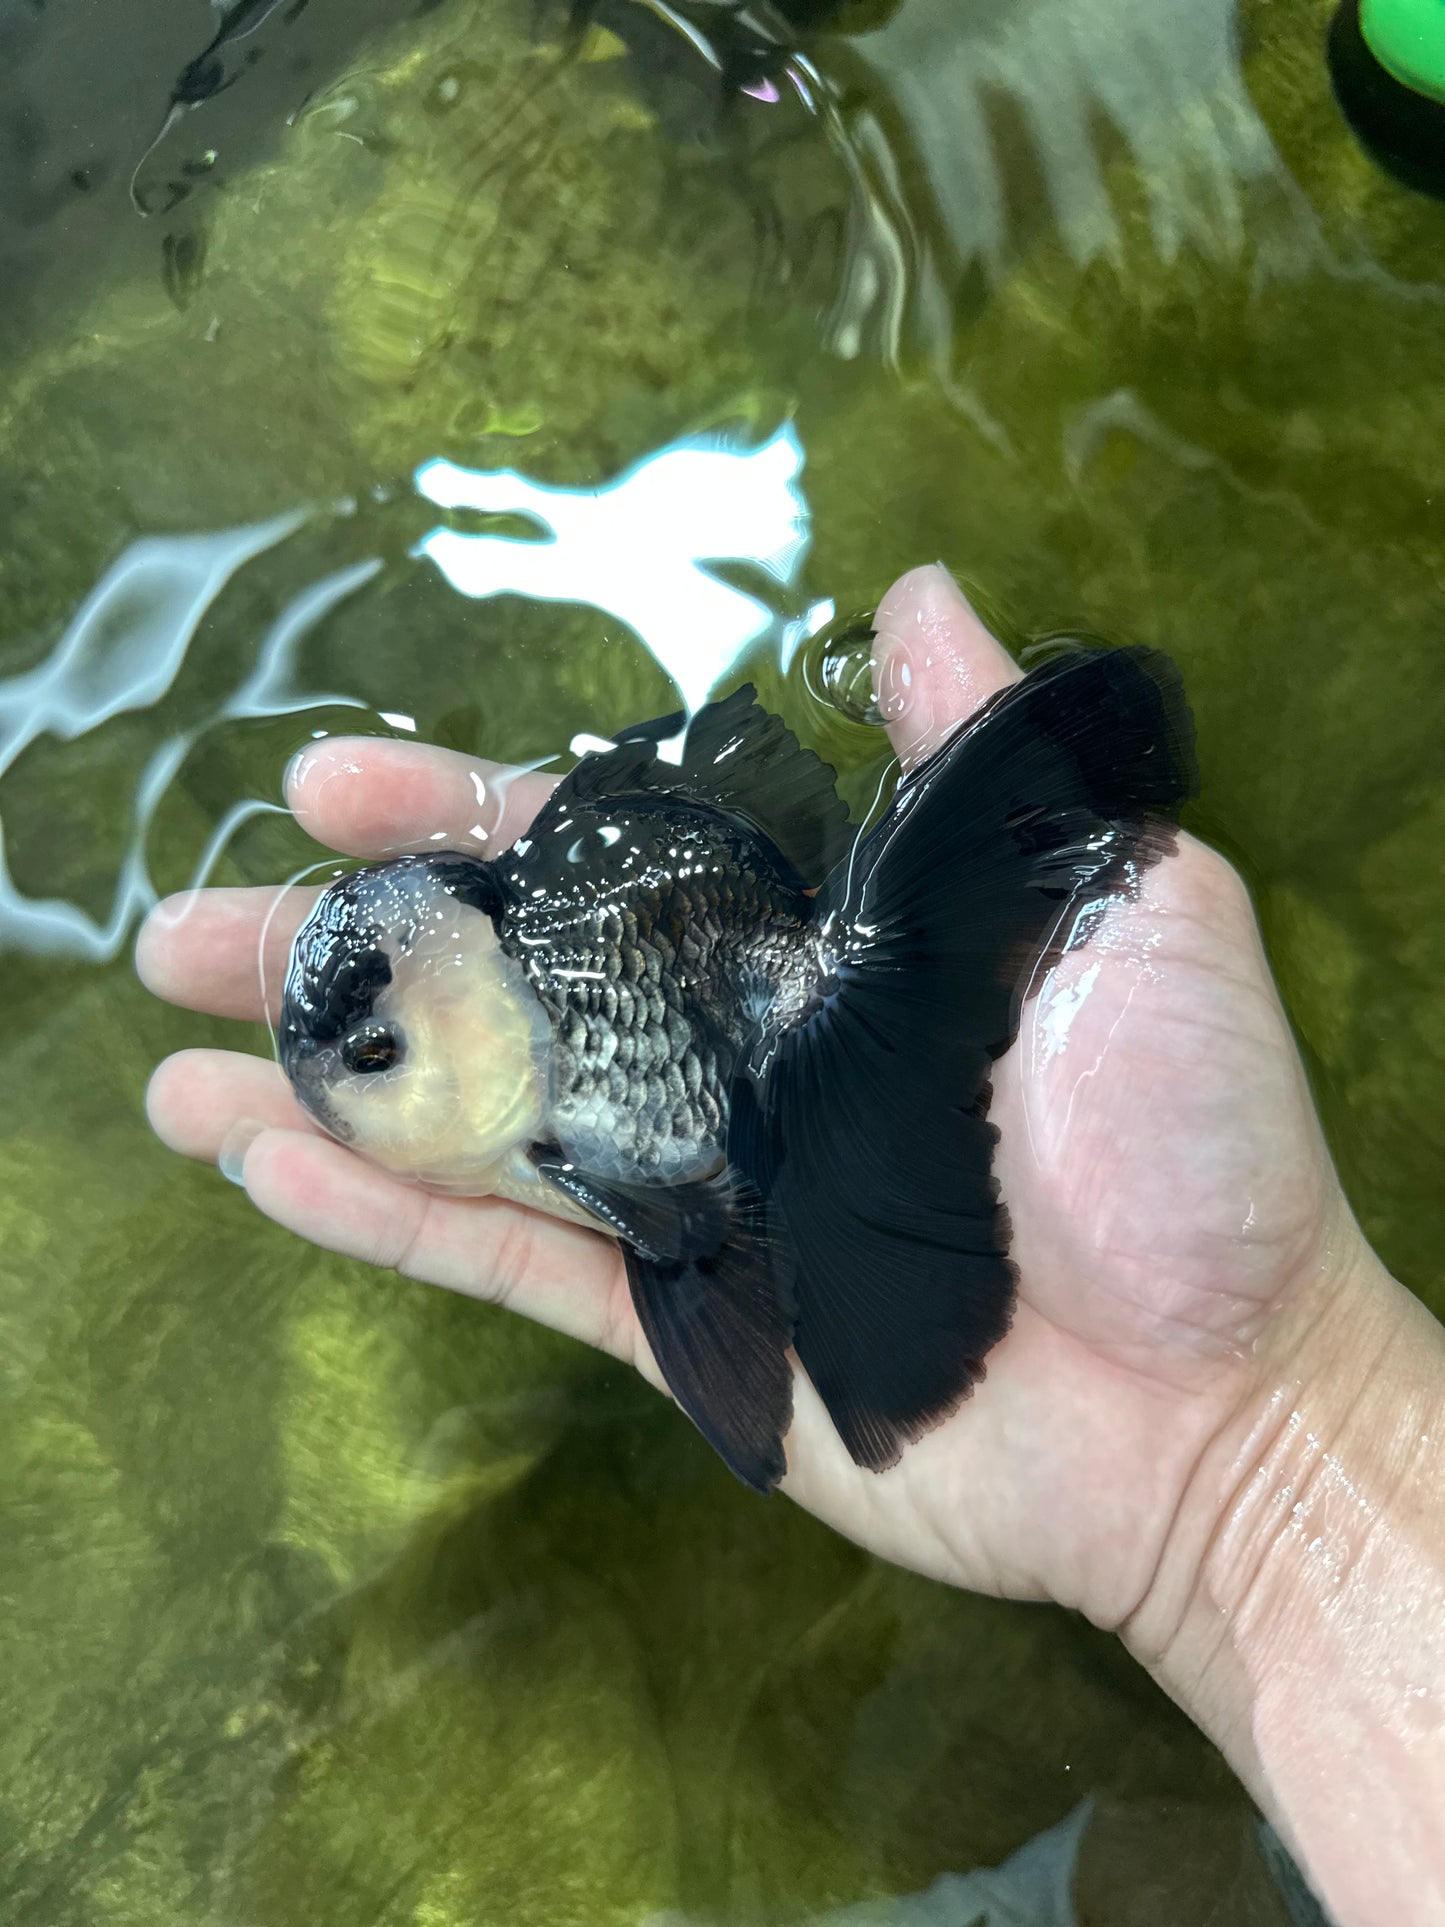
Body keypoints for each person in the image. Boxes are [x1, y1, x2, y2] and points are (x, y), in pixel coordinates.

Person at [136, 564, 1445, 1927]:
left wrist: (1248, 1445)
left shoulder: (589, 1098)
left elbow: (683, 1230)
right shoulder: (542, 1044)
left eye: (377, 1059)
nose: (344, 1095)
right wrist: (1253, 1460)